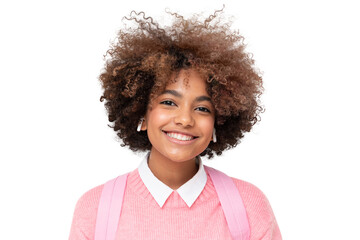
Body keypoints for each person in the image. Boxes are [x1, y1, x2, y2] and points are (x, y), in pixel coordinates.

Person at [69, 7, 282, 240]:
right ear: (141, 113)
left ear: (217, 124)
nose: (184, 119)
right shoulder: (96, 209)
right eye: (169, 102)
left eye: (202, 108)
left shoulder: (249, 207)